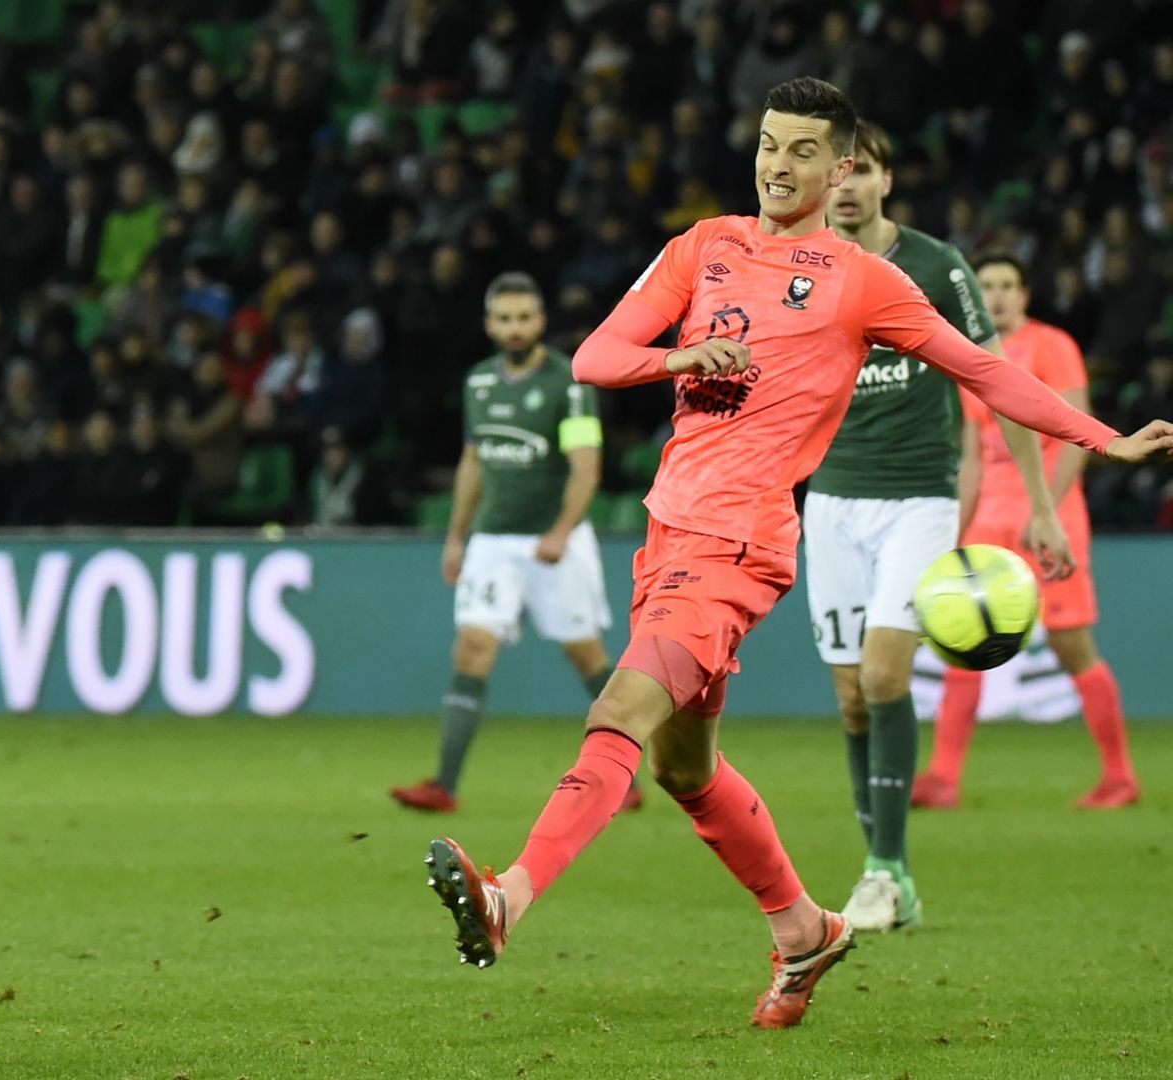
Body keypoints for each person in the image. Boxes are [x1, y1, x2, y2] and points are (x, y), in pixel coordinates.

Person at [420, 77, 1173, 1030]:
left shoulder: (864, 280)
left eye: (803, 150)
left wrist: (1103, 440)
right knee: (685, 769)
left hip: (743, 536)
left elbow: (983, 369)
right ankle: (805, 929)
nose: (780, 164)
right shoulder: (704, 245)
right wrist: (679, 360)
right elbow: (597, 358)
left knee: (618, 709)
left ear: (842, 167)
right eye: (770, 144)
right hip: (670, 525)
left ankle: (509, 898)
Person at [808, 123, 1073, 934]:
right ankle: (888, 871)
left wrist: (1041, 502)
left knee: (887, 676)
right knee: (853, 697)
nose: (847, 186)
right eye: (837, 171)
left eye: (864, 171)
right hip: (830, 503)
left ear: (887, 181)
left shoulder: (936, 267)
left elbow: (997, 380)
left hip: (918, 501)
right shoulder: (799, 266)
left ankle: (884, 873)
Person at [390, 272, 633, 814]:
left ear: (540, 321)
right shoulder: (479, 383)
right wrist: (457, 536)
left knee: (585, 653)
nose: (515, 328)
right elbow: (474, 461)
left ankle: (627, 772)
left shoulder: (566, 386)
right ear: (489, 324)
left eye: (525, 317)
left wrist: (562, 531)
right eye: (505, 318)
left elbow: (585, 467)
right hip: (493, 542)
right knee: (473, 647)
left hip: (555, 544)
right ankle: (444, 785)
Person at [914, 255, 1140, 810]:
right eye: (986, 285)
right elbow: (971, 458)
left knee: (1071, 645)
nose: (996, 296)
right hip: (989, 519)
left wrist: (1050, 511)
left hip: (1048, 517)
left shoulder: (1052, 345)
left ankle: (1119, 776)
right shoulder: (974, 358)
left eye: (1007, 286)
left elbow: (1074, 434)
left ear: (1025, 294)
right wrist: (956, 530)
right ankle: (943, 776)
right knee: (962, 641)